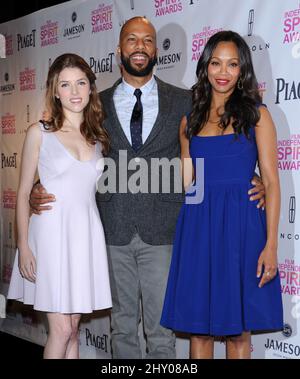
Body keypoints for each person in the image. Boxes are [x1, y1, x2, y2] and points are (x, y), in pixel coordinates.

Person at [29, 18, 266, 359]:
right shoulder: (95, 104)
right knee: (121, 329)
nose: (139, 47)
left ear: (156, 50)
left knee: (161, 334)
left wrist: (255, 179)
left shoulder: (188, 102)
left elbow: (215, 149)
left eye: (147, 41)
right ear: (119, 50)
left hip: (165, 230)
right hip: (112, 230)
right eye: (131, 40)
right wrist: (41, 183)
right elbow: (68, 149)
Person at [160, 31, 283, 359]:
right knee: (199, 331)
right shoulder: (189, 121)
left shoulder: (257, 115)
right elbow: (191, 185)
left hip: (242, 229)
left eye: (232, 64)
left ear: (243, 70)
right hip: (200, 228)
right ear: (205, 66)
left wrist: (271, 246)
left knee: (238, 334)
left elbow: (271, 183)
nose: (223, 71)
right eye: (216, 63)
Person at [7, 53, 112, 359]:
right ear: (55, 90)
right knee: (62, 330)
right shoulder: (39, 132)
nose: (75, 91)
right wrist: (24, 246)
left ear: (90, 88)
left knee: (74, 331)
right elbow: (24, 191)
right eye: (65, 85)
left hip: (85, 237)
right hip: (50, 237)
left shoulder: (97, 137)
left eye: (81, 83)